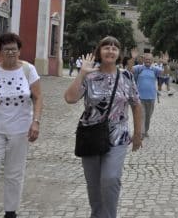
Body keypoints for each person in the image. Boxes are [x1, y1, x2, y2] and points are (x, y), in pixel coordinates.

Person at [64, 36, 142, 218]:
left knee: (110, 179)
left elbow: (136, 105)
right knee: (93, 184)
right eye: (106, 47)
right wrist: (81, 73)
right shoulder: (90, 75)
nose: (110, 50)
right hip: (90, 135)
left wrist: (138, 133)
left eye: (115, 48)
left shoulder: (126, 76)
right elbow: (70, 98)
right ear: (99, 51)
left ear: (118, 53)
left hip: (118, 136)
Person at [0, 32, 43, 218]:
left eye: (14, 49)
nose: (10, 52)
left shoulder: (28, 70)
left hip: (20, 129)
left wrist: (36, 121)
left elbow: (37, 97)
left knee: (14, 172)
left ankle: (10, 212)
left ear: (19, 51)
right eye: (6, 49)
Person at [132, 52, 165, 138]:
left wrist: (165, 63)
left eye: (150, 60)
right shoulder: (139, 68)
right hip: (140, 97)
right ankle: (141, 133)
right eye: (146, 59)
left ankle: (146, 130)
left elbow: (165, 73)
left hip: (151, 97)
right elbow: (129, 70)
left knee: (148, 116)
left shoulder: (155, 69)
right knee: (142, 115)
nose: (148, 61)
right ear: (143, 60)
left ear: (152, 60)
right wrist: (132, 59)